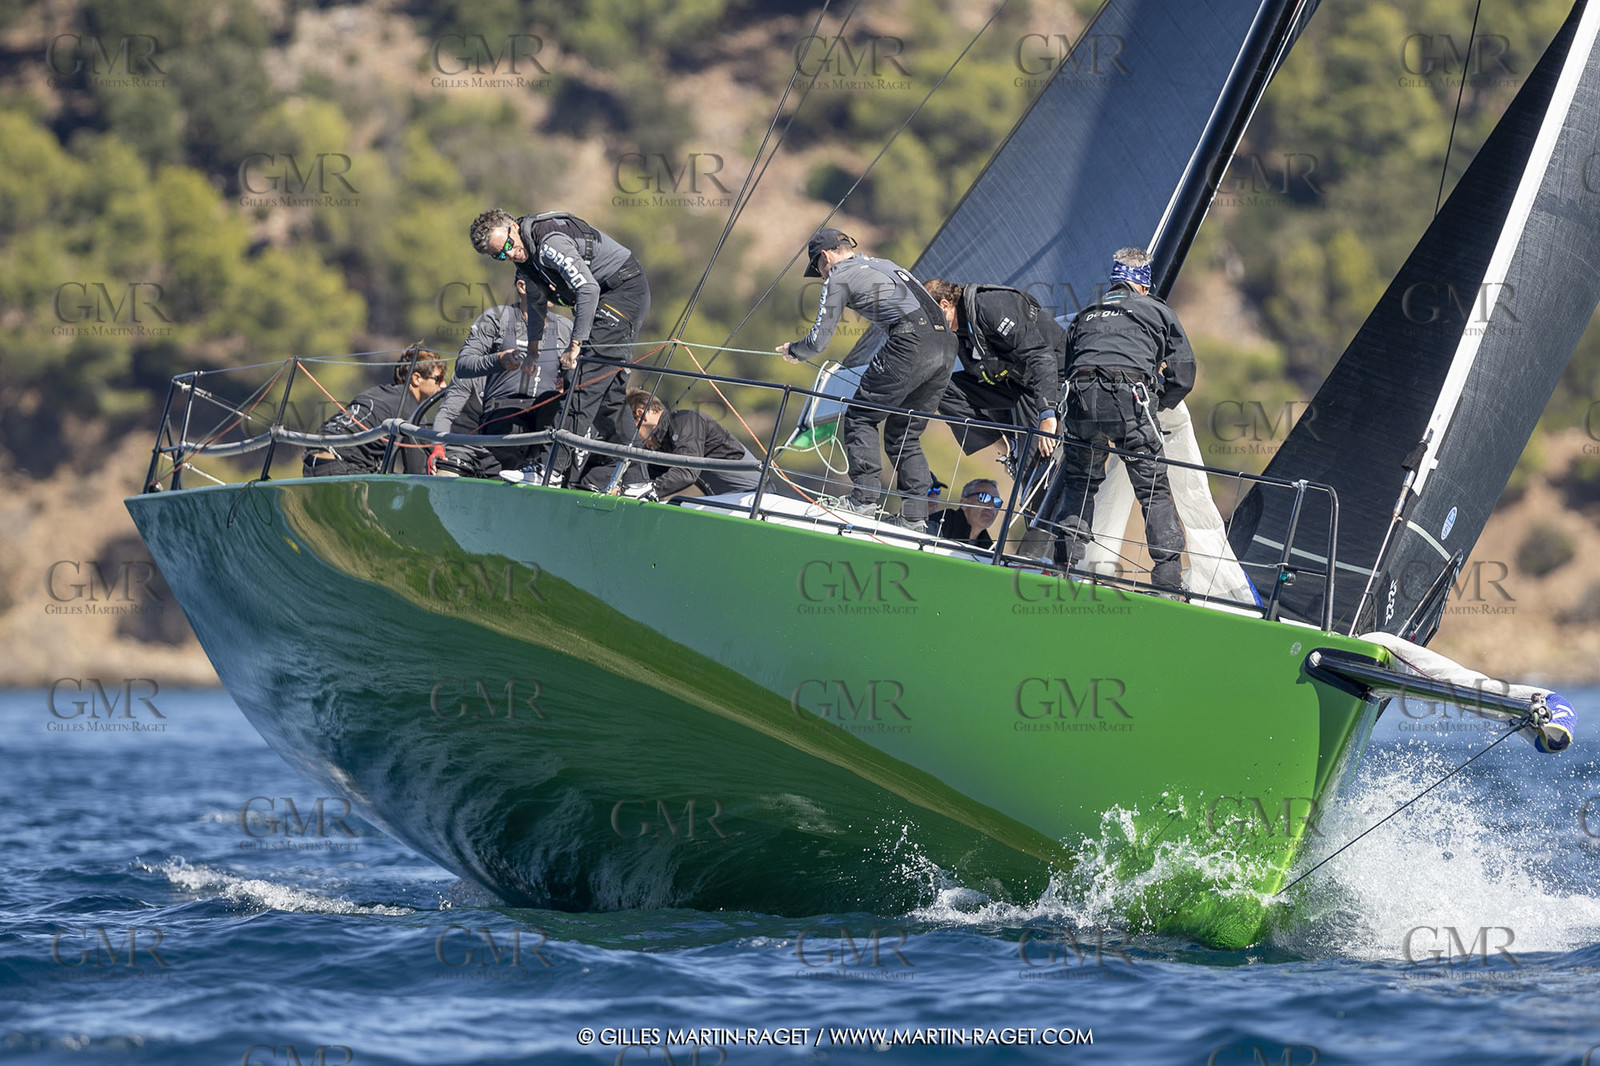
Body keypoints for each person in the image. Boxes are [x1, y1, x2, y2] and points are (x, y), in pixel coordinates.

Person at [776, 228, 956, 529]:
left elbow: (819, 341)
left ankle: (864, 501)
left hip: (910, 341)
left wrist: (795, 351)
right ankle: (914, 518)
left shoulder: (838, 276)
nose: (821, 276)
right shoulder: (886, 264)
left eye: (818, 269)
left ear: (825, 256)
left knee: (860, 416)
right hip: (948, 347)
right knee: (905, 433)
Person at [1038, 247, 1196, 590]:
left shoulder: (1086, 314)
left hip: (1079, 401)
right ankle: (1168, 580)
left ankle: (1062, 563)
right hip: (1130, 401)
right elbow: (1184, 377)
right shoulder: (1158, 311)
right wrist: (1156, 403)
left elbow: (1065, 368)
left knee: (1081, 481)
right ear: (1144, 283)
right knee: (1153, 490)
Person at [469, 207, 649, 482]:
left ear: (514, 227)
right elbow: (538, 305)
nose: (510, 254)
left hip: (621, 291)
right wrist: (532, 352)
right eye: (499, 255)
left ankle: (551, 469)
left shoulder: (548, 243)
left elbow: (588, 289)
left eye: (508, 245)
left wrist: (576, 345)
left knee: (583, 384)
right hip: (608, 296)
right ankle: (638, 480)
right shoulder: (525, 260)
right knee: (608, 401)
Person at [433, 277, 574, 480]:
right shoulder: (498, 318)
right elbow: (463, 368)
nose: (553, 287)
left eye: (554, 281)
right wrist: (498, 360)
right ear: (522, 286)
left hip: (542, 424)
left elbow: (578, 383)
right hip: (501, 421)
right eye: (544, 281)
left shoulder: (564, 328)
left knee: (557, 407)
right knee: (512, 425)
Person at [924, 279, 1064, 473]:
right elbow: (990, 377)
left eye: (928, 318)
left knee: (1031, 472)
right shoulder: (958, 333)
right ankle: (1009, 450)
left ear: (944, 305)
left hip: (1050, 378)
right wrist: (1008, 439)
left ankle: (1028, 465)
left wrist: (1047, 413)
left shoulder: (989, 306)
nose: (928, 326)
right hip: (1016, 383)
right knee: (940, 386)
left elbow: (1042, 356)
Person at [582, 389, 762, 499]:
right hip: (727, 500)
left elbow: (687, 471)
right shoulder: (663, 444)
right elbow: (645, 475)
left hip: (753, 496)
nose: (628, 436)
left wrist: (650, 491)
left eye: (628, 428)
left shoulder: (687, 420)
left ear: (641, 415)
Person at [303, 348, 446, 476]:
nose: (444, 385)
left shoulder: (376, 392)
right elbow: (417, 471)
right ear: (416, 378)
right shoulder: (411, 408)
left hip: (311, 461)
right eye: (438, 379)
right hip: (339, 465)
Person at [926, 478, 1004, 548]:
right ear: (963, 503)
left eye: (997, 502)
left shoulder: (989, 550)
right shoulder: (940, 522)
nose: (992, 505)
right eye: (984, 497)